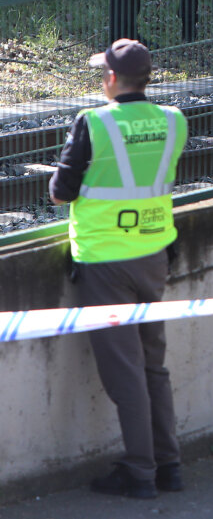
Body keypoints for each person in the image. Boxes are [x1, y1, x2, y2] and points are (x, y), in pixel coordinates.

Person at [49, 39, 189, 500]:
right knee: (153, 366)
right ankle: (169, 466)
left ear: (111, 78)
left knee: (124, 372)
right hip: (154, 254)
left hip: (105, 262)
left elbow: (61, 192)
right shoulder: (173, 121)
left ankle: (140, 472)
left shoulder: (94, 122)